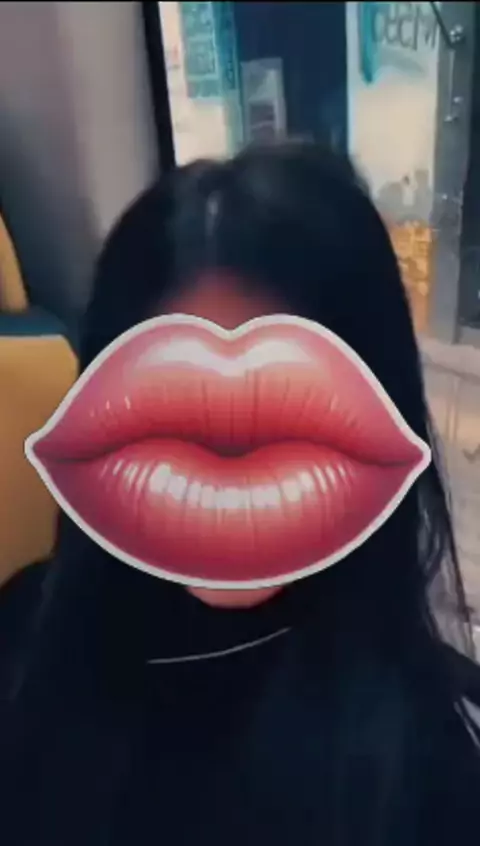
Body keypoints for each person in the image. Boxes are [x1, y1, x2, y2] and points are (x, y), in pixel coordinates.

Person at [1, 142, 480, 845]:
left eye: (290, 418)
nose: (231, 477)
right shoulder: (25, 646)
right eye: (173, 413)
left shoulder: (426, 749)